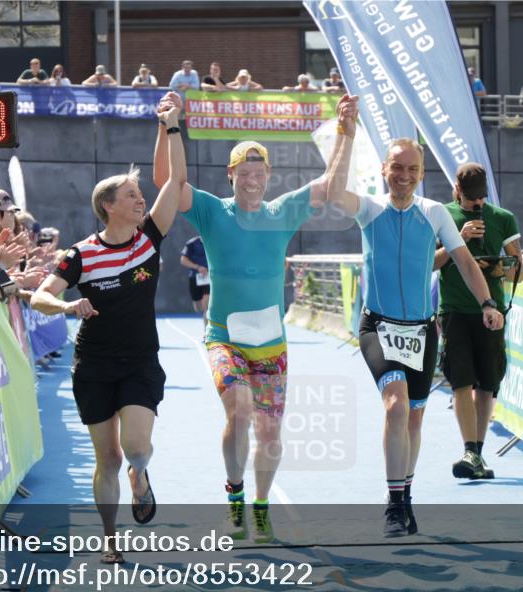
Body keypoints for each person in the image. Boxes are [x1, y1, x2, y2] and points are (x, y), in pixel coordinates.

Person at [153, 91, 356, 542]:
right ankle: (235, 497)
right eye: (244, 173)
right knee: (240, 412)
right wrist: (168, 126)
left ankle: (260, 508)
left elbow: (330, 184)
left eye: (258, 173)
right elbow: (169, 182)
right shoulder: (212, 210)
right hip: (224, 338)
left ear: (268, 176)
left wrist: (347, 129)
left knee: (269, 434)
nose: (251, 181)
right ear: (231, 176)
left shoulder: (283, 211)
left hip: (272, 345)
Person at [326, 106, 506, 538]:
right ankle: (393, 503)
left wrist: (487, 301)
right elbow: (334, 194)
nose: (404, 175)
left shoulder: (435, 213)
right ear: (385, 170)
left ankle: (405, 494)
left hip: (422, 331)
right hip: (379, 328)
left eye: (412, 169)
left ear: (422, 172)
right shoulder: (369, 209)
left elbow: (463, 260)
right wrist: (346, 136)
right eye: (397, 168)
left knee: (414, 421)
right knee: (395, 405)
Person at [31, 103, 187, 564]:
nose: (142, 201)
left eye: (142, 195)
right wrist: (66, 303)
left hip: (139, 362)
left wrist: (172, 124)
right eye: (133, 195)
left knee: (136, 448)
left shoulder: (150, 236)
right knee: (108, 460)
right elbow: (40, 295)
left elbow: (176, 182)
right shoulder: (79, 255)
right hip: (94, 366)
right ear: (107, 207)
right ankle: (109, 539)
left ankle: (142, 474)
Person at [435, 163, 523, 482]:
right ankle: (469, 449)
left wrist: (503, 269)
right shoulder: (441, 215)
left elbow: (519, 270)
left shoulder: (502, 218)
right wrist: (457, 239)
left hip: (493, 311)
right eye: (471, 198)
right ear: (457, 190)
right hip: (455, 309)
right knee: (461, 381)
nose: (477, 204)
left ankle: (478, 453)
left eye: (481, 198)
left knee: (487, 384)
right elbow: (430, 264)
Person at [180, 235, 210, 332]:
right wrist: (197, 267)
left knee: (207, 305)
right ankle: (200, 306)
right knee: (198, 307)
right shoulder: (192, 243)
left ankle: (207, 332)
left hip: (210, 278)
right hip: (195, 277)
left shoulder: (215, 242)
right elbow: (183, 260)